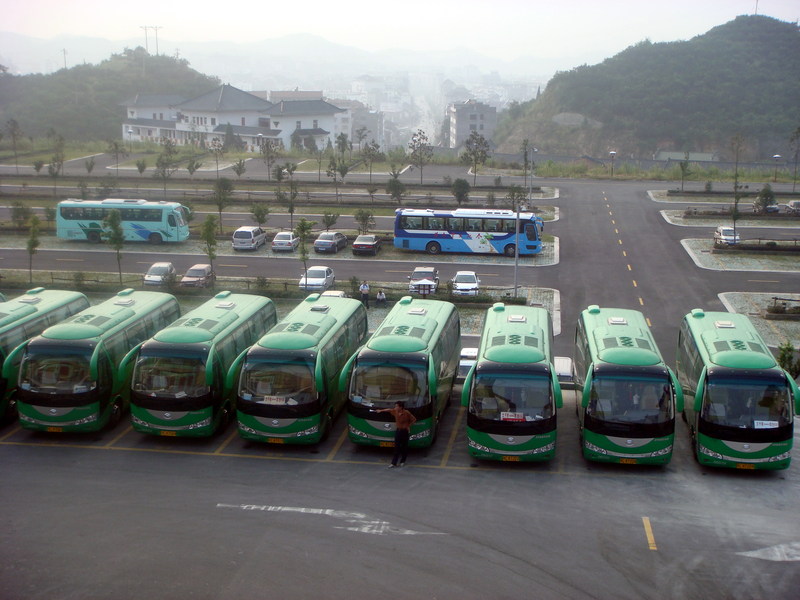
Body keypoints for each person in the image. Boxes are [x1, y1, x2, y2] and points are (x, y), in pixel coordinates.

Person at [377, 401, 417, 468]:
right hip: (398, 431)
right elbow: (388, 410)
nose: (395, 407)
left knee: (404, 447)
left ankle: (402, 461)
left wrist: (408, 426)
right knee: (396, 447)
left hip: (405, 431)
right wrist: (381, 410)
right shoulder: (395, 412)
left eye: (396, 406)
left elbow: (414, 419)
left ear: (400, 407)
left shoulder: (406, 413)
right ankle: (394, 463)